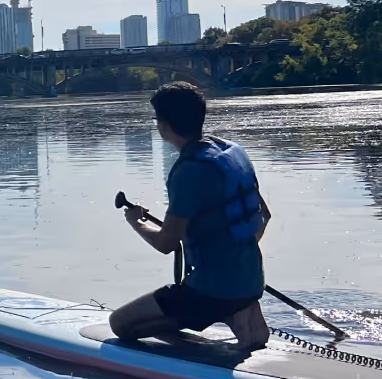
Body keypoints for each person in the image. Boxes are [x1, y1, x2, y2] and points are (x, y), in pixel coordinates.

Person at [110, 82, 270, 350]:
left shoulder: (188, 171)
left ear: (163, 126)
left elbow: (166, 244)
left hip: (209, 290)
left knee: (120, 325)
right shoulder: (233, 152)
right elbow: (263, 214)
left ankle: (217, 314)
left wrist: (136, 222)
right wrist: (235, 253)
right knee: (215, 299)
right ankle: (234, 311)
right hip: (252, 279)